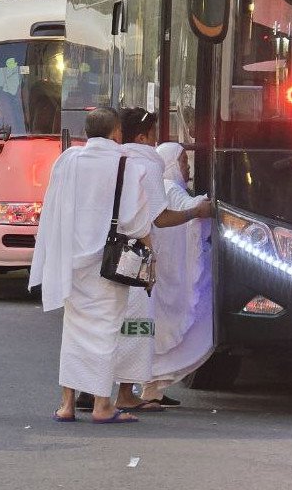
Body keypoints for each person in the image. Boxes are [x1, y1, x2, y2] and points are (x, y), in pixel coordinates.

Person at [30, 107, 212, 424]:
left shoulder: (68, 160)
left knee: (74, 331)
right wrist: (150, 264)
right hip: (110, 264)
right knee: (106, 331)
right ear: (116, 133)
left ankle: (67, 404)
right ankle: (103, 405)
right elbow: (144, 222)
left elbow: (54, 208)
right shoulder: (128, 166)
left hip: (71, 260)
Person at [141, 141, 213, 406]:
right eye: (183, 161)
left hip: (163, 272)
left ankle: (153, 390)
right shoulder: (169, 189)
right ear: (170, 163)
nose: (187, 166)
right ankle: (151, 388)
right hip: (168, 275)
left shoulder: (162, 188)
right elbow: (192, 209)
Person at [110, 108, 168, 414]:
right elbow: (160, 216)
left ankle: (89, 388)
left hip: (103, 251)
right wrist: (198, 211)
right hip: (135, 254)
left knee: (106, 320)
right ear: (142, 137)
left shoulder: (113, 159)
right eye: (154, 133)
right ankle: (125, 393)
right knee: (136, 322)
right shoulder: (147, 163)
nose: (157, 140)